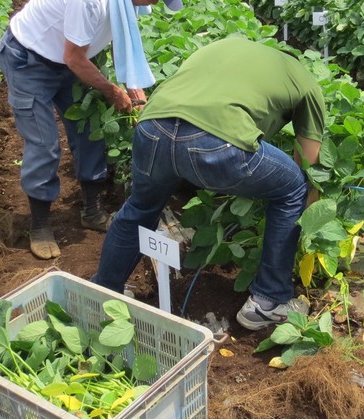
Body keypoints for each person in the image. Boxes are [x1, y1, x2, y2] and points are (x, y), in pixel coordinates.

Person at [91, 36, 326, 331]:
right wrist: (308, 219)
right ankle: (269, 301)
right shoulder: (305, 82)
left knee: (141, 205)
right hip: (216, 143)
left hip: (152, 125)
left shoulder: (228, 45)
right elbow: (308, 161)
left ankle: (103, 291)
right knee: (292, 187)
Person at [0, 0, 186, 259]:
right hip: (29, 60)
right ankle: (40, 224)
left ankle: (93, 209)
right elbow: (74, 58)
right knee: (45, 144)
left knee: (89, 130)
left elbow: (117, 36)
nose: (157, 1)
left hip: (69, 61)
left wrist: (133, 87)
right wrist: (112, 90)